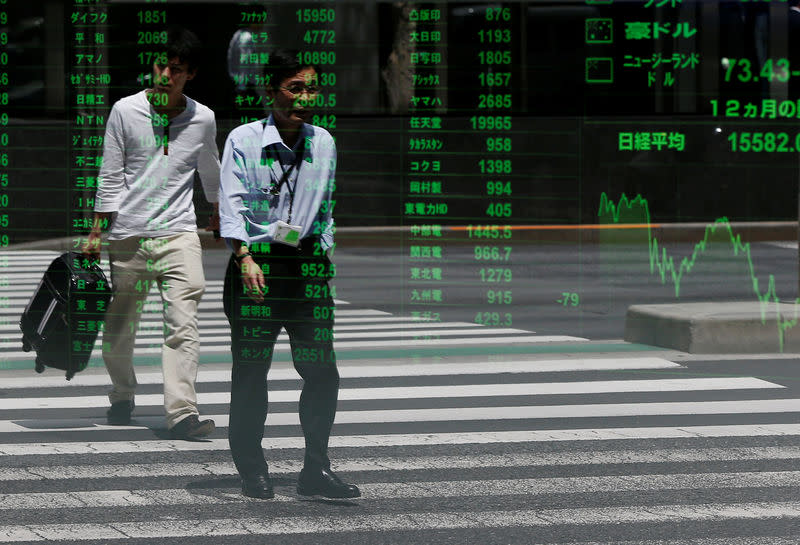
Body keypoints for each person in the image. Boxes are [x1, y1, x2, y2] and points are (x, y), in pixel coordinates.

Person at [219, 49, 360, 500]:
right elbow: (232, 204)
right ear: (271, 91)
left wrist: (324, 250)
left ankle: (315, 469)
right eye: (295, 87)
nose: (305, 96)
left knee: (322, 372)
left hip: (306, 269)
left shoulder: (324, 142)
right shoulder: (243, 140)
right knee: (251, 372)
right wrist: (244, 257)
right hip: (256, 267)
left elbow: (328, 208)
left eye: (311, 87)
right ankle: (252, 469)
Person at [83, 27, 219, 439]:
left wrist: (217, 213)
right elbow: (109, 175)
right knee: (119, 329)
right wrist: (95, 232)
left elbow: (210, 170)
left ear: (190, 74)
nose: (165, 74)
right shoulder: (125, 110)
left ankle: (181, 414)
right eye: (161, 65)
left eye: (175, 69)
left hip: (179, 234)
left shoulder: (203, 118)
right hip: (128, 235)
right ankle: (122, 393)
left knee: (183, 323)